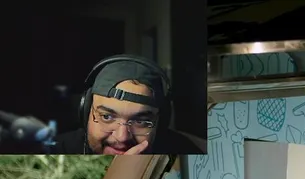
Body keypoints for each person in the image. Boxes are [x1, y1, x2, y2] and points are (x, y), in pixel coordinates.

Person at [51, 55, 204, 155]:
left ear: (160, 122)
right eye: (107, 117)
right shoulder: (54, 149)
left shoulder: (187, 151)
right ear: (86, 111)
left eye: (141, 121)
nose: (122, 137)